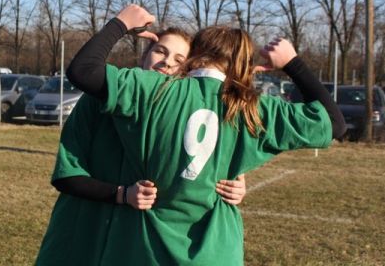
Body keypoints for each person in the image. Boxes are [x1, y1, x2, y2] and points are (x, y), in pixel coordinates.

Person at [60, 4, 345, 265]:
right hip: (216, 253)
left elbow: (83, 70)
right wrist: (292, 62)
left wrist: (121, 23)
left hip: (146, 250)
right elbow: (334, 124)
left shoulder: (152, 90)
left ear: (193, 59)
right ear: (243, 65)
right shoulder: (253, 110)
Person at [36, 28, 247, 265]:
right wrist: (121, 194)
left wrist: (234, 183)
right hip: (82, 233)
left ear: (189, 70)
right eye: (160, 51)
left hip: (133, 246)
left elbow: (203, 169)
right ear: (145, 54)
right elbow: (67, 175)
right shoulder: (97, 100)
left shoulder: (186, 119)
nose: (167, 62)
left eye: (179, 59)